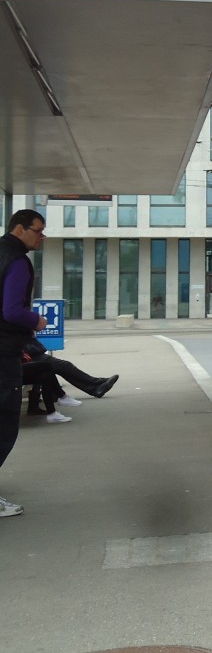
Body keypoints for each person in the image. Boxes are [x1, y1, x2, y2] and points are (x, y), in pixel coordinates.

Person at [0, 209, 49, 518]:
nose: (42, 236)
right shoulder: (18, 261)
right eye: (38, 230)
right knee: (5, 425)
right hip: (3, 352)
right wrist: (37, 321)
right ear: (19, 229)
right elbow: (12, 311)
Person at [21, 348, 118, 424]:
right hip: (25, 358)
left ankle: (95, 386)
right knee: (56, 366)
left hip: (26, 356)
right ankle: (63, 397)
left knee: (48, 373)